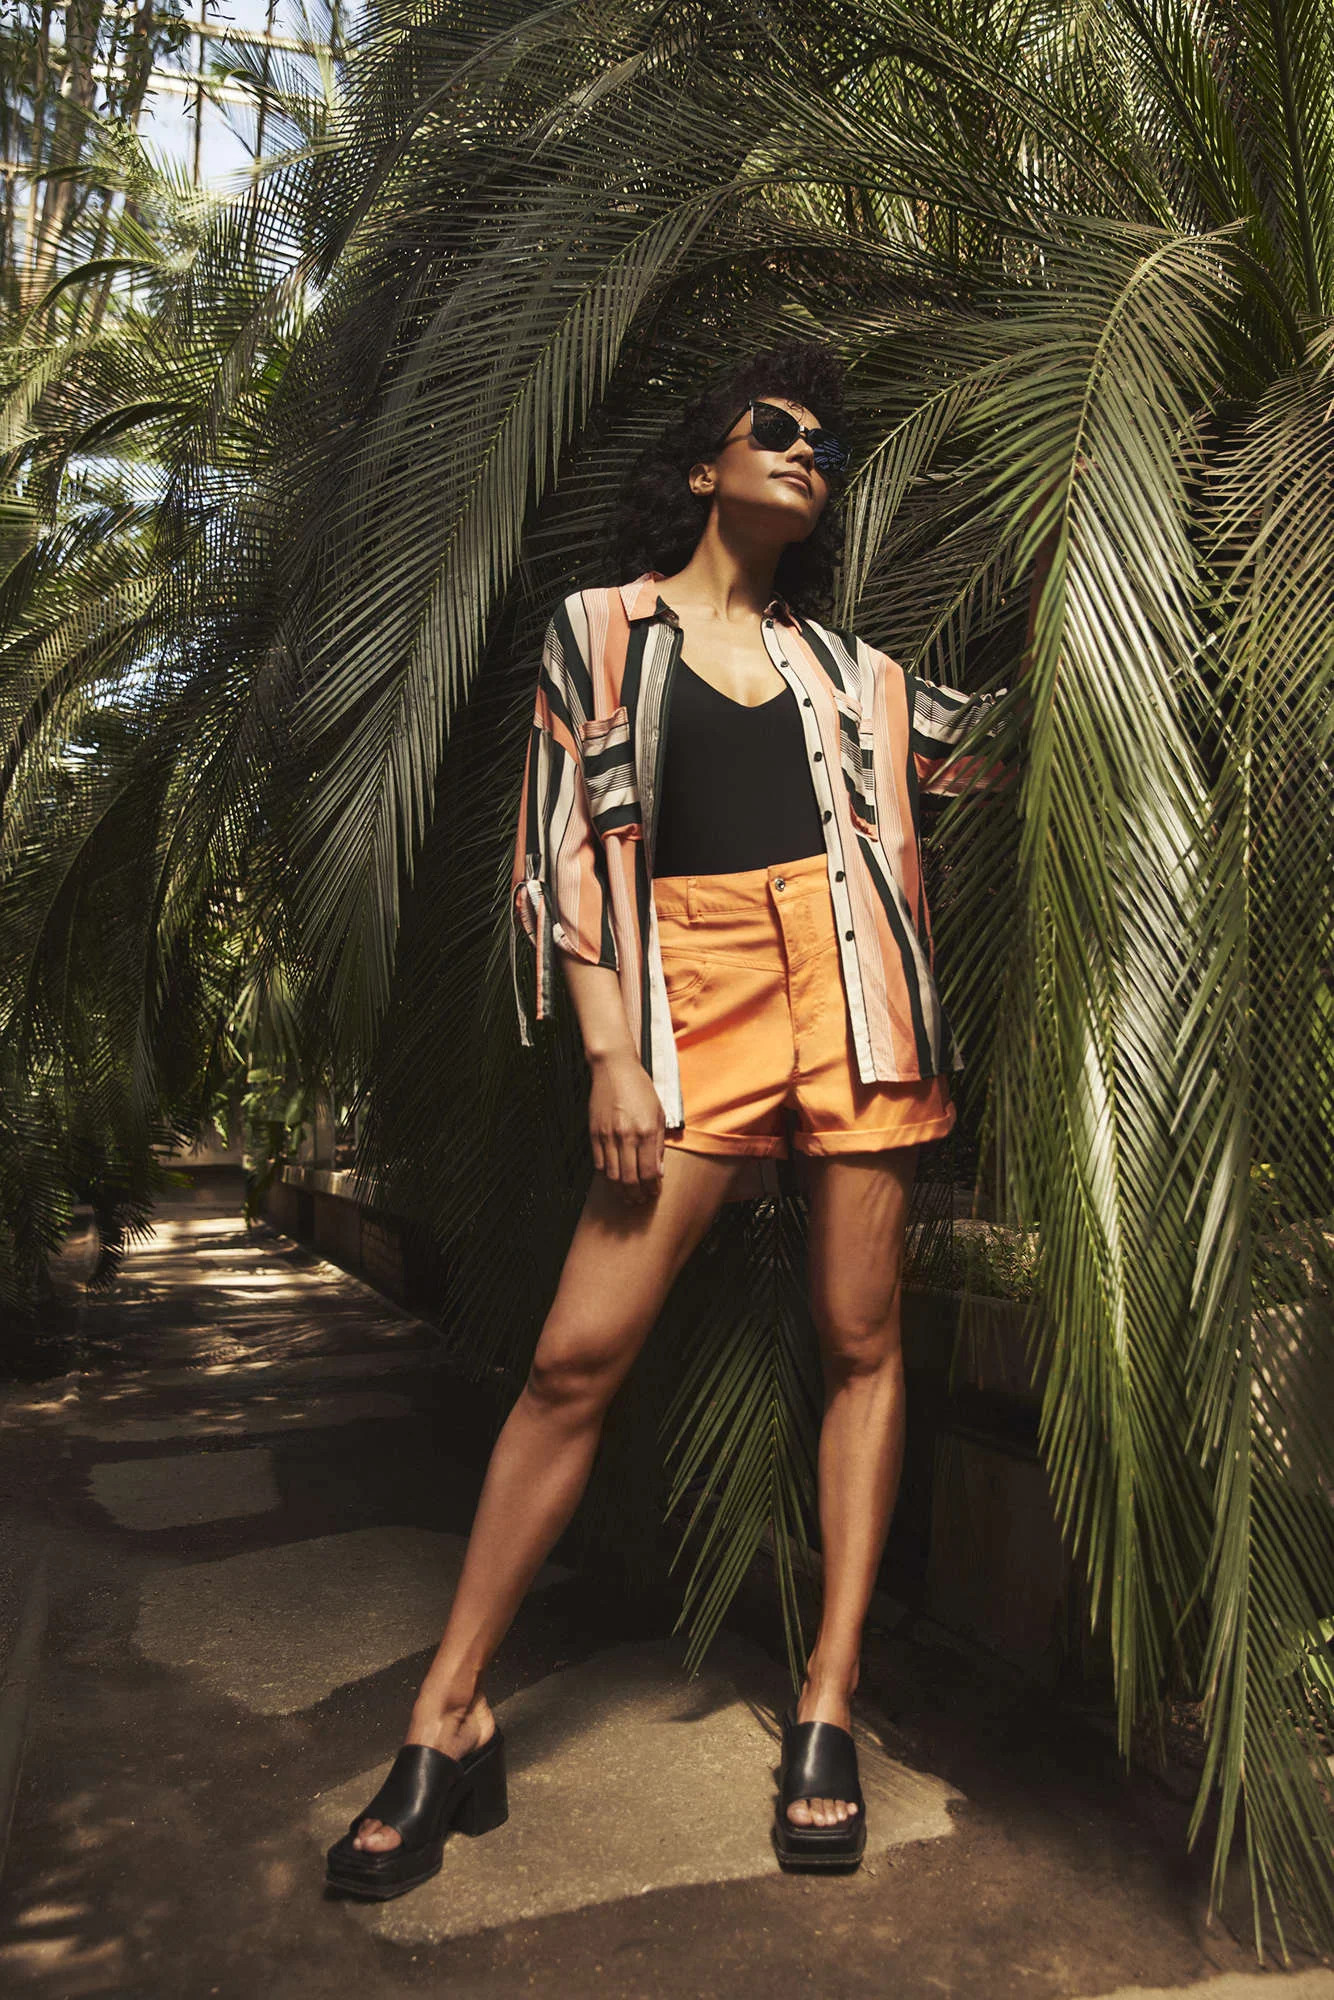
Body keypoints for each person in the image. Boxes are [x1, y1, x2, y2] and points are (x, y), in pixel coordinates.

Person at [325, 341, 1005, 1901]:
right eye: (775, 428)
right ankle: (448, 1713)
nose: (805, 449)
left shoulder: (857, 673)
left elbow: (993, 752)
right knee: (574, 1360)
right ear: (703, 465)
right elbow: (564, 853)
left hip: (855, 998)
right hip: (687, 1004)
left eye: (826, 443)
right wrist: (609, 1055)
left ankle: (825, 1702)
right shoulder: (597, 632)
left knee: (859, 1342)